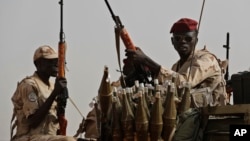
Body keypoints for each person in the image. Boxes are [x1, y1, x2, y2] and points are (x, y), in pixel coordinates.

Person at [124, 18, 228, 107]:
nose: (183, 42)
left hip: (212, 118)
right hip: (190, 117)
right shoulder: (177, 66)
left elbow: (185, 83)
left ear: (196, 40)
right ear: (172, 42)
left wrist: (146, 60)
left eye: (188, 38)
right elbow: (167, 89)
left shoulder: (206, 60)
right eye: (178, 38)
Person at [10, 45, 87, 141]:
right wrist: (55, 93)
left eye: (57, 61)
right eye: (50, 61)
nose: (56, 64)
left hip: (48, 137)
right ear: (38, 64)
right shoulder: (29, 85)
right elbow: (33, 121)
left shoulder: (53, 86)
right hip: (28, 137)